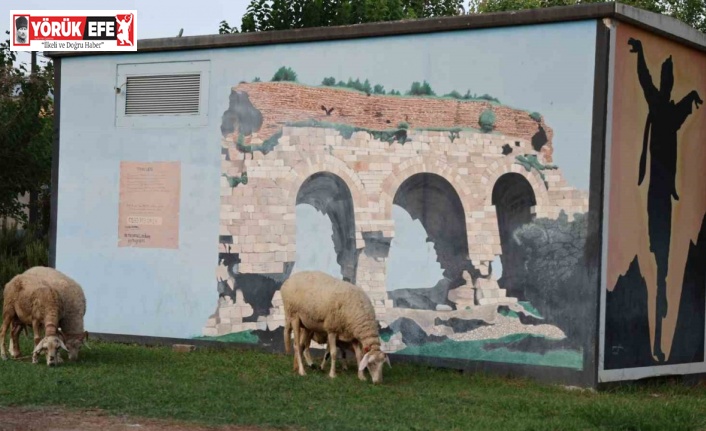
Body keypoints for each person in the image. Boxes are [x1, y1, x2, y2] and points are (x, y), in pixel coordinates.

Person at [628, 37, 702, 362]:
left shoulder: (669, 111)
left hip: (664, 197)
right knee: (657, 254)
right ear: (663, 82)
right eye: (667, 78)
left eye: (670, 79)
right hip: (655, 195)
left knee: (663, 257)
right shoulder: (658, 105)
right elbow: (644, 79)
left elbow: (684, 110)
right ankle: (657, 310)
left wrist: (693, 96)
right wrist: (641, 53)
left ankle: (660, 325)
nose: (667, 83)